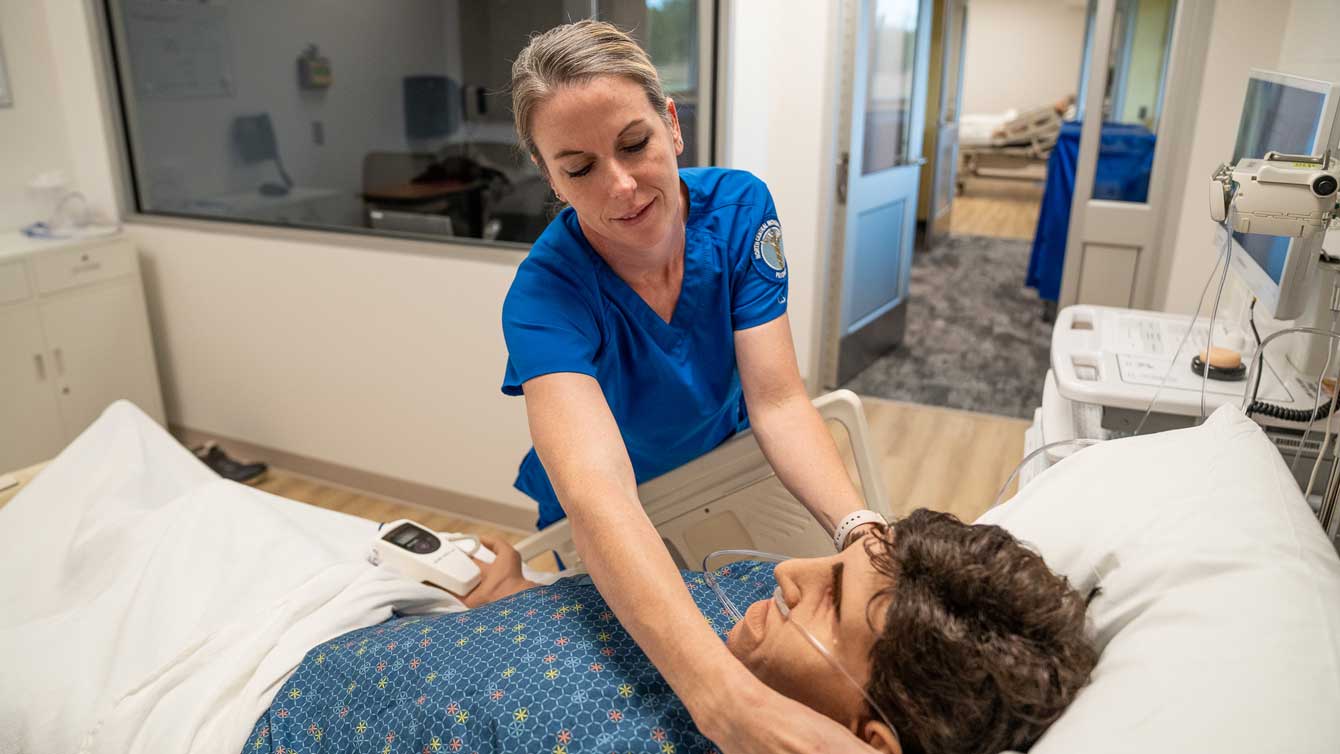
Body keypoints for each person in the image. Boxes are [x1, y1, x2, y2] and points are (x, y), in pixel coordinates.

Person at [499, 20, 886, 752]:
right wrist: (726, 705)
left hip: (730, 462)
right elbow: (599, 497)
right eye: (578, 168)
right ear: (550, 177)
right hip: (618, 511)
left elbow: (779, 401)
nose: (620, 186)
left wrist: (862, 532)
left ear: (672, 125)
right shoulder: (544, 296)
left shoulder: (739, 211)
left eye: (634, 144)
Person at [246, 510, 1098, 754]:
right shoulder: (754, 623)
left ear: (866, 738)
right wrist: (511, 595)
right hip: (367, 625)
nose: (788, 573)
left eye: (829, 599)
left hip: (267, 721)